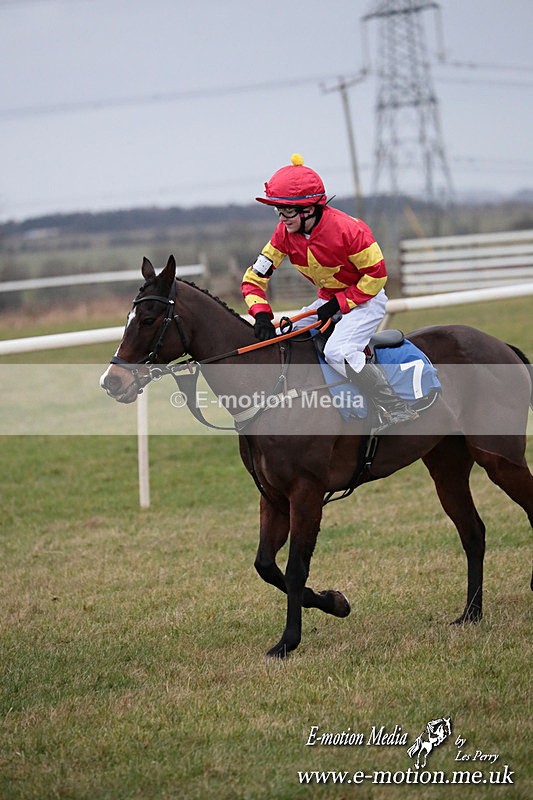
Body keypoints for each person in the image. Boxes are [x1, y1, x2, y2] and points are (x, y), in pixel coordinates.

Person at [241, 153, 418, 430]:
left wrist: (339, 304)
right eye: (278, 211)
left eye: (287, 211)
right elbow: (254, 278)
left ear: (309, 209)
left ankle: (395, 406)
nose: (282, 218)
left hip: (366, 299)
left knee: (339, 352)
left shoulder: (350, 230)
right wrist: (261, 314)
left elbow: (377, 277)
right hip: (327, 300)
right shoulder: (283, 234)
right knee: (283, 337)